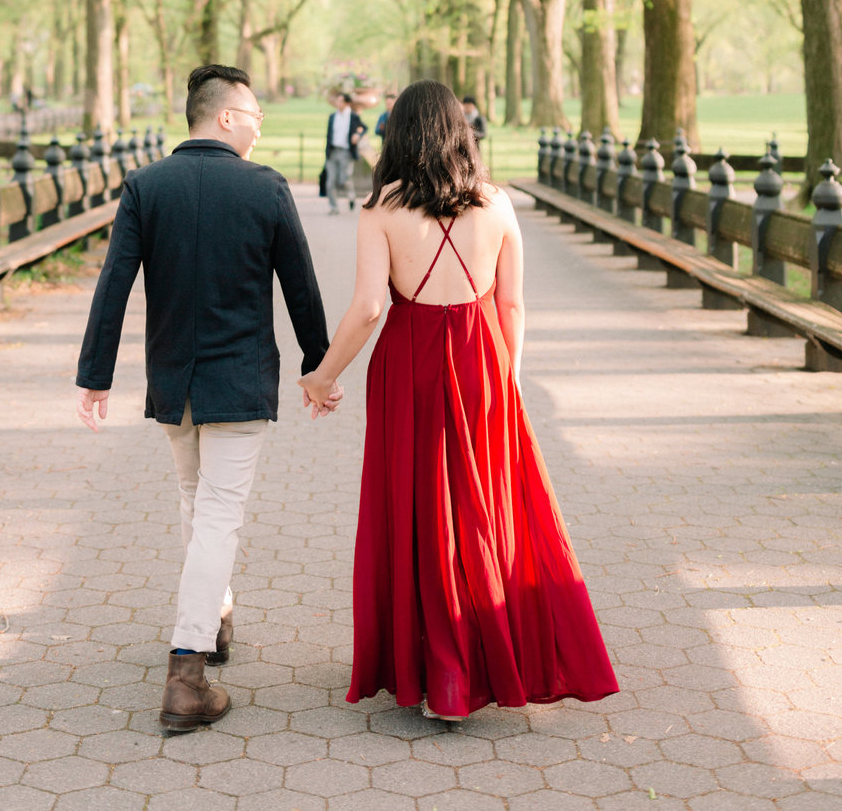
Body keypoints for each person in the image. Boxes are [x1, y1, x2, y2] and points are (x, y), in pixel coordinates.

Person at [300, 79, 618, 722]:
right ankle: (474, 661)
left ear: (400, 134)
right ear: (460, 131)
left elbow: (368, 308)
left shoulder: (381, 207)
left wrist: (322, 376)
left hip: (409, 359)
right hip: (482, 359)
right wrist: (511, 376)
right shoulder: (498, 205)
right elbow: (512, 304)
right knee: (480, 506)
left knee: (417, 506)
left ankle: (435, 675)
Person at [75, 63, 334, 733]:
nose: (258, 126)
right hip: (240, 383)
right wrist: (319, 366)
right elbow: (301, 287)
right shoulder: (264, 187)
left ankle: (214, 614)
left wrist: (95, 374)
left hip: (173, 383)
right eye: (253, 114)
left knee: (197, 502)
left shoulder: (146, 185)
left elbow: (114, 284)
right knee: (218, 514)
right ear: (223, 116)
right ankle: (186, 673)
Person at [323, 91, 367, 215]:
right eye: (337, 101)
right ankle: (334, 207)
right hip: (333, 152)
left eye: (340, 101)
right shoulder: (333, 117)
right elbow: (329, 135)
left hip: (346, 152)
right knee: (330, 181)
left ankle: (351, 196)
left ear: (347, 103)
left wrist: (357, 135)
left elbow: (364, 127)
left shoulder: (353, 116)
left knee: (345, 178)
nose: (338, 103)